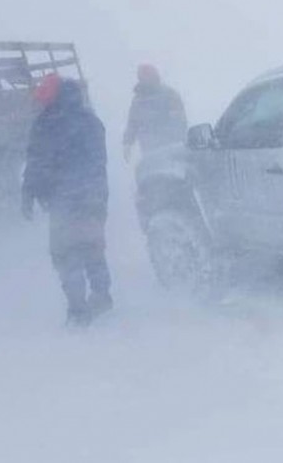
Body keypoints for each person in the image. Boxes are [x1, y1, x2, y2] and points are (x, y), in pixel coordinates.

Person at [22, 74, 112, 327]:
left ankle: (78, 309)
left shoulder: (46, 124)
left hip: (67, 199)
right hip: (90, 196)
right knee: (91, 246)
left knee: (66, 252)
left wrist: (29, 192)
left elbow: (36, 161)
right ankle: (101, 295)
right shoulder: (88, 120)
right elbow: (97, 162)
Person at [122, 64, 187, 162]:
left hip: (172, 150)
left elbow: (180, 122)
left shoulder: (170, 95)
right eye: (143, 77)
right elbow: (133, 123)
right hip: (149, 151)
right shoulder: (138, 100)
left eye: (149, 76)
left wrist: (178, 141)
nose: (146, 80)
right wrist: (127, 143)